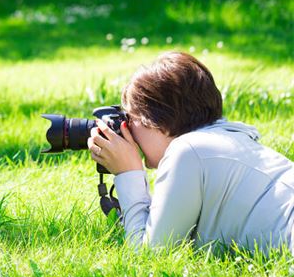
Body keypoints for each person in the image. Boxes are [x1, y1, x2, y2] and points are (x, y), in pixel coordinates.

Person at [87, 51, 294, 254]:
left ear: (156, 120)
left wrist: (128, 173)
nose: (127, 129)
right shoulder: (231, 139)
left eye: (131, 119)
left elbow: (151, 255)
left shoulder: (187, 150)